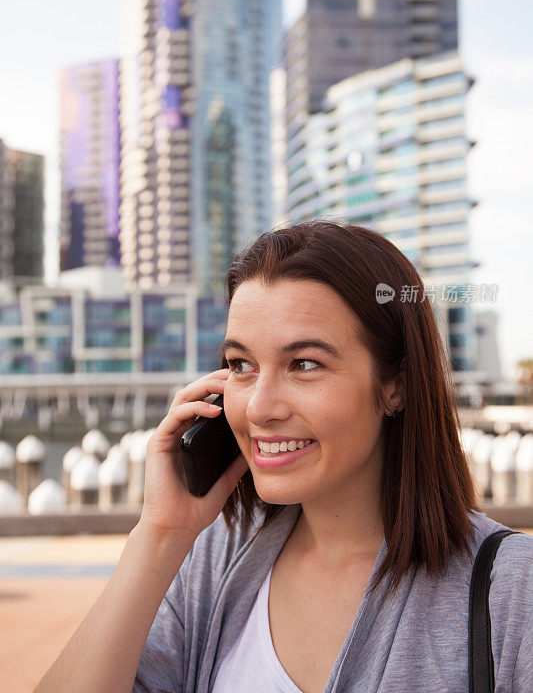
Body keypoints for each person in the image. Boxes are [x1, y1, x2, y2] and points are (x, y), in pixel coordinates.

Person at [34, 219, 532, 693]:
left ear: (395, 386)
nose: (259, 407)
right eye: (241, 365)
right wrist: (161, 534)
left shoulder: (511, 589)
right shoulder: (215, 559)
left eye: (305, 364)